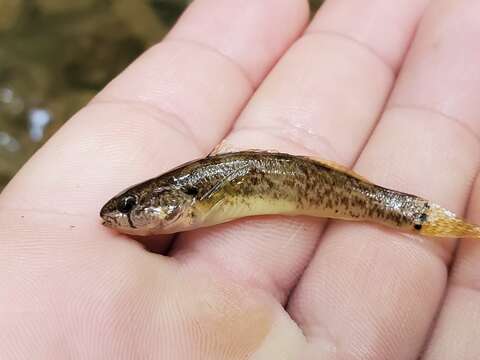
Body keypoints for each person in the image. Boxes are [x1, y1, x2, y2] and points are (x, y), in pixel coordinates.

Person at [1, 0, 479, 358]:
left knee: (386, 206)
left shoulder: (190, 198)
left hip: (309, 185)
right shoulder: (183, 203)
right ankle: (429, 220)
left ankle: (425, 219)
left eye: (129, 208)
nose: (118, 217)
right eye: (126, 207)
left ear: (169, 200)